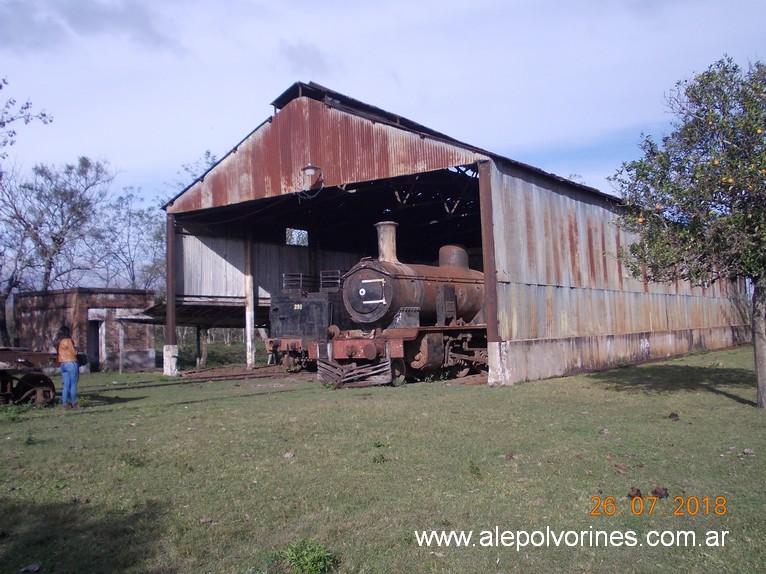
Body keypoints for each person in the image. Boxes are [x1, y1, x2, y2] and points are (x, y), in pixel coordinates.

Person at [55, 325, 80, 410]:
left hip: (63, 364)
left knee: (66, 385)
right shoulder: (68, 340)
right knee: (73, 384)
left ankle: (64, 404)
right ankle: (74, 403)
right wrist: (77, 349)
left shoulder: (59, 341)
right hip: (71, 363)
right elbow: (74, 353)